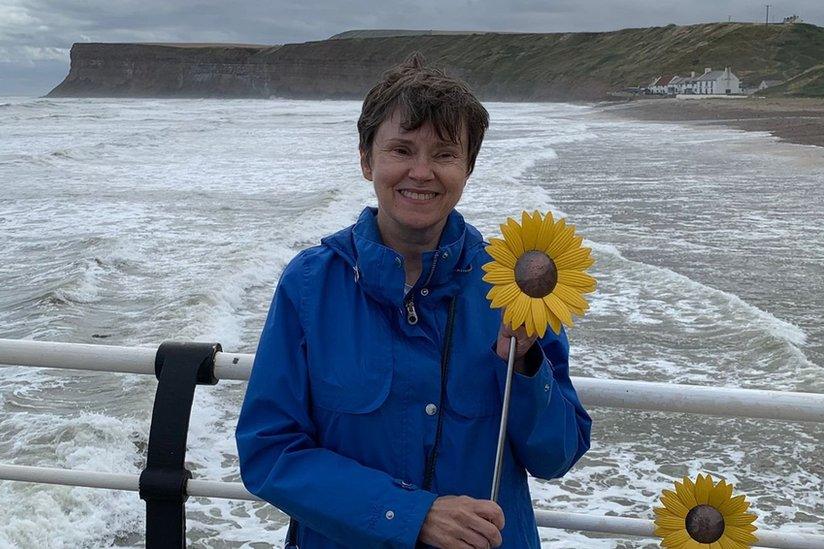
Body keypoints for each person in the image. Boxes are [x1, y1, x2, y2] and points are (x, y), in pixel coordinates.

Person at [236, 53, 591, 549]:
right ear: (367, 160)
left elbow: (556, 456)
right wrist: (410, 514)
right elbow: (269, 451)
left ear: (467, 167)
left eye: (444, 154)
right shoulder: (310, 285)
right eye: (401, 150)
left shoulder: (517, 286)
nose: (421, 172)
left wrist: (526, 366)